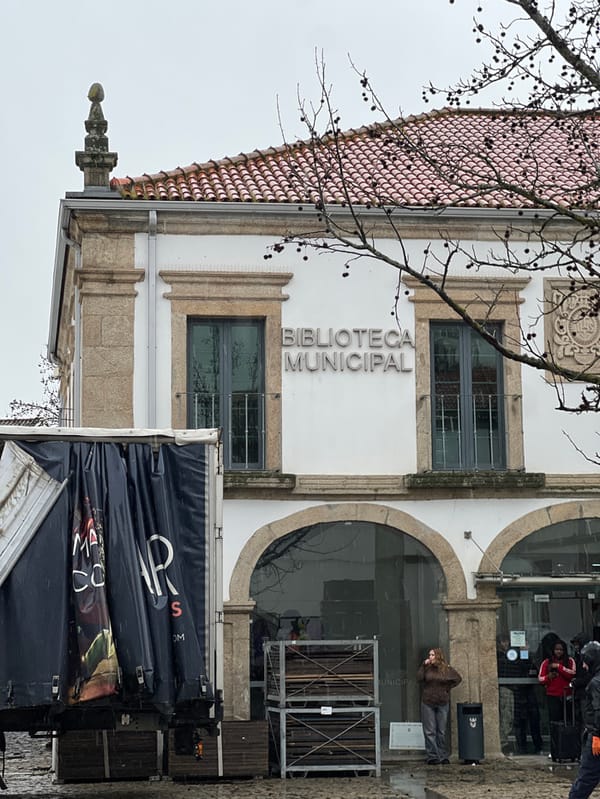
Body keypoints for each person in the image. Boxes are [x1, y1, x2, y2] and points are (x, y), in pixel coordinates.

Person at [417, 647, 462, 765]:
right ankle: (432, 756)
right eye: (429, 655)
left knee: (441, 731)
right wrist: (423, 665)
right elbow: (419, 678)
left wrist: (447, 688)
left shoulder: (446, 669)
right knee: (429, 731)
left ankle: (442, 755)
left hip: (442, 701)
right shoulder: (427, 668)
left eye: (432, 655)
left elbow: (457, 678)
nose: (430, 657)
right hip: (428, 701)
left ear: (438, 656)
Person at [568, 641, 600, 799]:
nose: (584, 666)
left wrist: (596, 735)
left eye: (585, 661)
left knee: (586, 777)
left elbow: (598, 711)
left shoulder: (595, 683)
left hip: (596, 737)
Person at [538, 638, 576, 725]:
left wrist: (559, 667)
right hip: (552, 696)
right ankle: (554, 738)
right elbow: (540, 679)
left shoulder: (570, 661)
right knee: (554, 722)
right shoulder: (546, 662)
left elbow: (572, 674)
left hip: (567, 695)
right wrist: (548, 677)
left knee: (568, 721)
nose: (558, 652)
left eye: (561, 650)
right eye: (556, 649)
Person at [572, 632, 593, 732]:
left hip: (586, 693)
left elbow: (589, 676)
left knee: (587, 722)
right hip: (581, 693)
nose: (576, 647)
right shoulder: (578, 656)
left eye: (577, 644)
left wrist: (576, 682)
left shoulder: (588, 657)